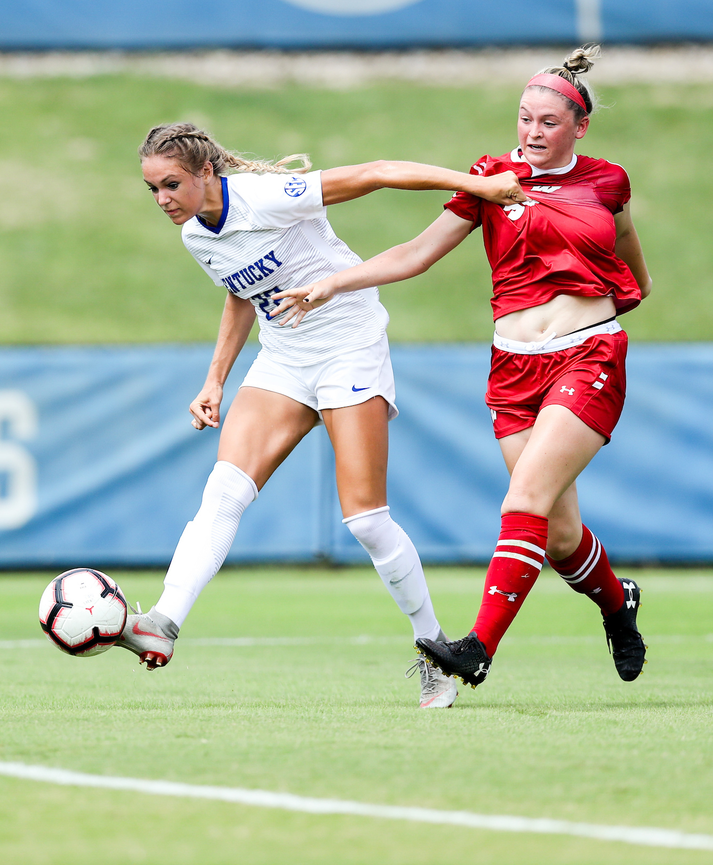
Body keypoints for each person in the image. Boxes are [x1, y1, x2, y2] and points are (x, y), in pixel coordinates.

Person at [272, 45, 650, 689]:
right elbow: (418, 251)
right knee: (558, 537)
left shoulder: (607, 180)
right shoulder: (491, 180)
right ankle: (619, 606)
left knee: (523, 498)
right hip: (513, 367)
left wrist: (607, 310)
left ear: (580, 127)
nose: (532, 132)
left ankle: (476, 648)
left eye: (549, 123)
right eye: (525, 119)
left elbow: (629, 260)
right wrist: (332, 283)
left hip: (588, 356)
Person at [116, 123, 526, 708]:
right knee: (224, 493)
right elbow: (239, 291)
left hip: (349, 346)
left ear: (206, 172)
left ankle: (434, 649)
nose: (162, 200)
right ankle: (163, 621)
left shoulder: (262, 197)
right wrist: (214, 380)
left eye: (171, 184)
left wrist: (477, 187)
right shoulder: (195, 236)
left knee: (366, 521)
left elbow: (376, 172)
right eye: (152, 189)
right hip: (284, 356)